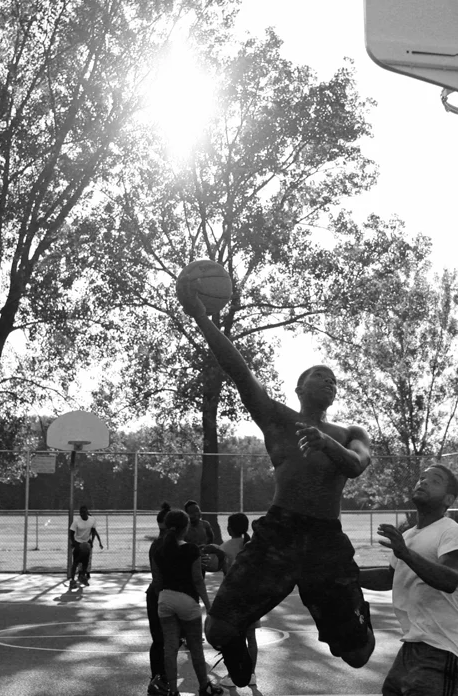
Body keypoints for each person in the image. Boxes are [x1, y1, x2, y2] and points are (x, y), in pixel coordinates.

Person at [177, 278, 376, 686]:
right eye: (319, 375)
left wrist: (324, 443)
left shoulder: (350, 431)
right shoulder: (276, 419)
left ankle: (353, 618)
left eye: (333, 379)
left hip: (325, 540)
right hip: (279, 534)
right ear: (299, 387)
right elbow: (237, 368)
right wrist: (199, 315)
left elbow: (357, 465)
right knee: (217, 630)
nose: (329, 380)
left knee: (358, 655)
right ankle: (242, 672)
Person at [359, 464, 458, 696]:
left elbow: (449, 579)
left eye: (435, 481)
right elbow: (390, 577)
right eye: (421, 478)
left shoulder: (451, 532)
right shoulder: (408, 536)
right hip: (414, 644)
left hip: (445, 647)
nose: (423, 482)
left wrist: (405, 553)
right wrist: (346, 574)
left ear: (449, 499)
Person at [156, 509, 224, 696]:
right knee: (195, 647)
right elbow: (197, 581)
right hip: (187, 601)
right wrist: (209, 606)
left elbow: (158, 581)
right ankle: (204, 686)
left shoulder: (158, 548)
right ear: (185, 528)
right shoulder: (191, 549)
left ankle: (172, 690)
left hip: (165, 599)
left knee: (170, 648)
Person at [216, 513, 258, 688]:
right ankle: (252, 674)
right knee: (251, 637)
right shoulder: (252, 546)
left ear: (229, 528)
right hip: (252, 597)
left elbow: (226, 574)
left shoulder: (224, 548)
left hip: (232, 598)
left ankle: (233, 675)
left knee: (233, 639)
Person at [147, 502, 173, 696]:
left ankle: (159, 678)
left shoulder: (158, 543)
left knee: (161, 640)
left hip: (158, 594)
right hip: (161, 595)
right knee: (162, 640)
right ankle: (160, 678)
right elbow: (159, 578)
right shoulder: (164, 544)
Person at [68, 504, 103, 586]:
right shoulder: (76, 521)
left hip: (86, 544)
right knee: (75, 562)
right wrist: (74, 543)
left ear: (87, 512)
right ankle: (72, 580)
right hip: (78, 543)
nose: (82, 514)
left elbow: (94, 531)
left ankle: (82, 577)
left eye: (83, 512)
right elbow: (71, 533)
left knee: (85, 563)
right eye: (80, 512)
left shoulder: (92, 520)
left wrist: (92, 541)